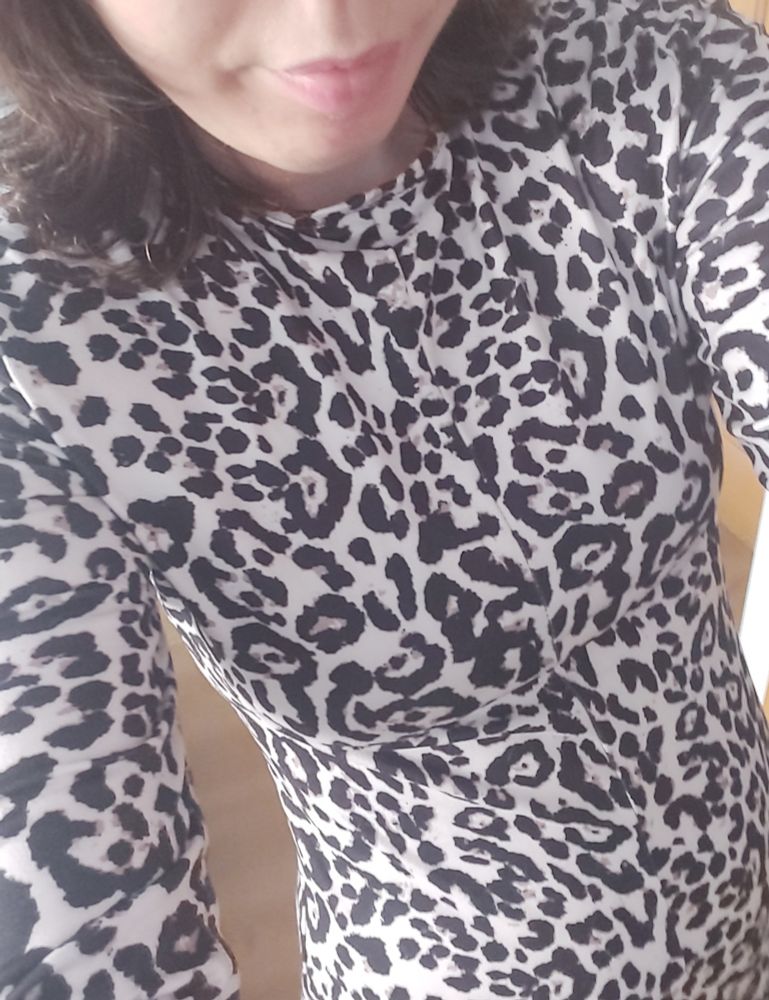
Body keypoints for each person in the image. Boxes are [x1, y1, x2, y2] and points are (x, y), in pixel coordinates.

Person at [1, 0, 768, 996]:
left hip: (746, 904)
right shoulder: (28, 329)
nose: (330, 20)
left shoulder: (638, 65)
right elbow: (67, 921)